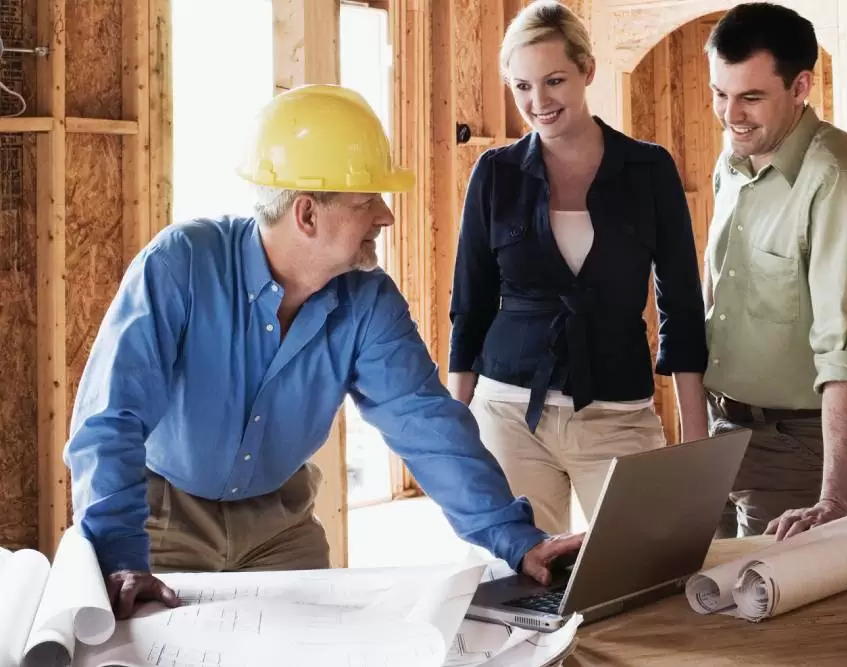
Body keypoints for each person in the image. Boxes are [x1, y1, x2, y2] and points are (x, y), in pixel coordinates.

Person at [64, 84, 583, 620]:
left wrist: (515, 537)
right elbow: (111, 418)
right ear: (307, 215)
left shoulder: (367, 299)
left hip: (279, 527)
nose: (386, 217)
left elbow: (425, 423)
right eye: (367, 202)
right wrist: (118, 555)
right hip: (162, 520)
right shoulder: (180, 266)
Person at [447, 0, 709, 536]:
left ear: (587, 71)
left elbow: (681, 304)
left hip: (617, 411)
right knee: (516, 584)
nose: (538, 101)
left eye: (554, 80)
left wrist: (696, 440)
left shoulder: (648, 169)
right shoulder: (494, 174)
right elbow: (469, 306)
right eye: (522, 87)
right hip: (508, 413)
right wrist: (456, 433)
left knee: (645, 565)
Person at [701, 3, 847, 540]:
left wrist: (836, 500)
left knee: (766, 612)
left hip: (790, 446)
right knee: (692, 607)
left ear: (801, 85)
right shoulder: (733, 157)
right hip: (717, 434)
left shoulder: (837, 181)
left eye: (751, 97)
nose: (731, 114)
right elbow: (718, 286)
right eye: (720, 93)